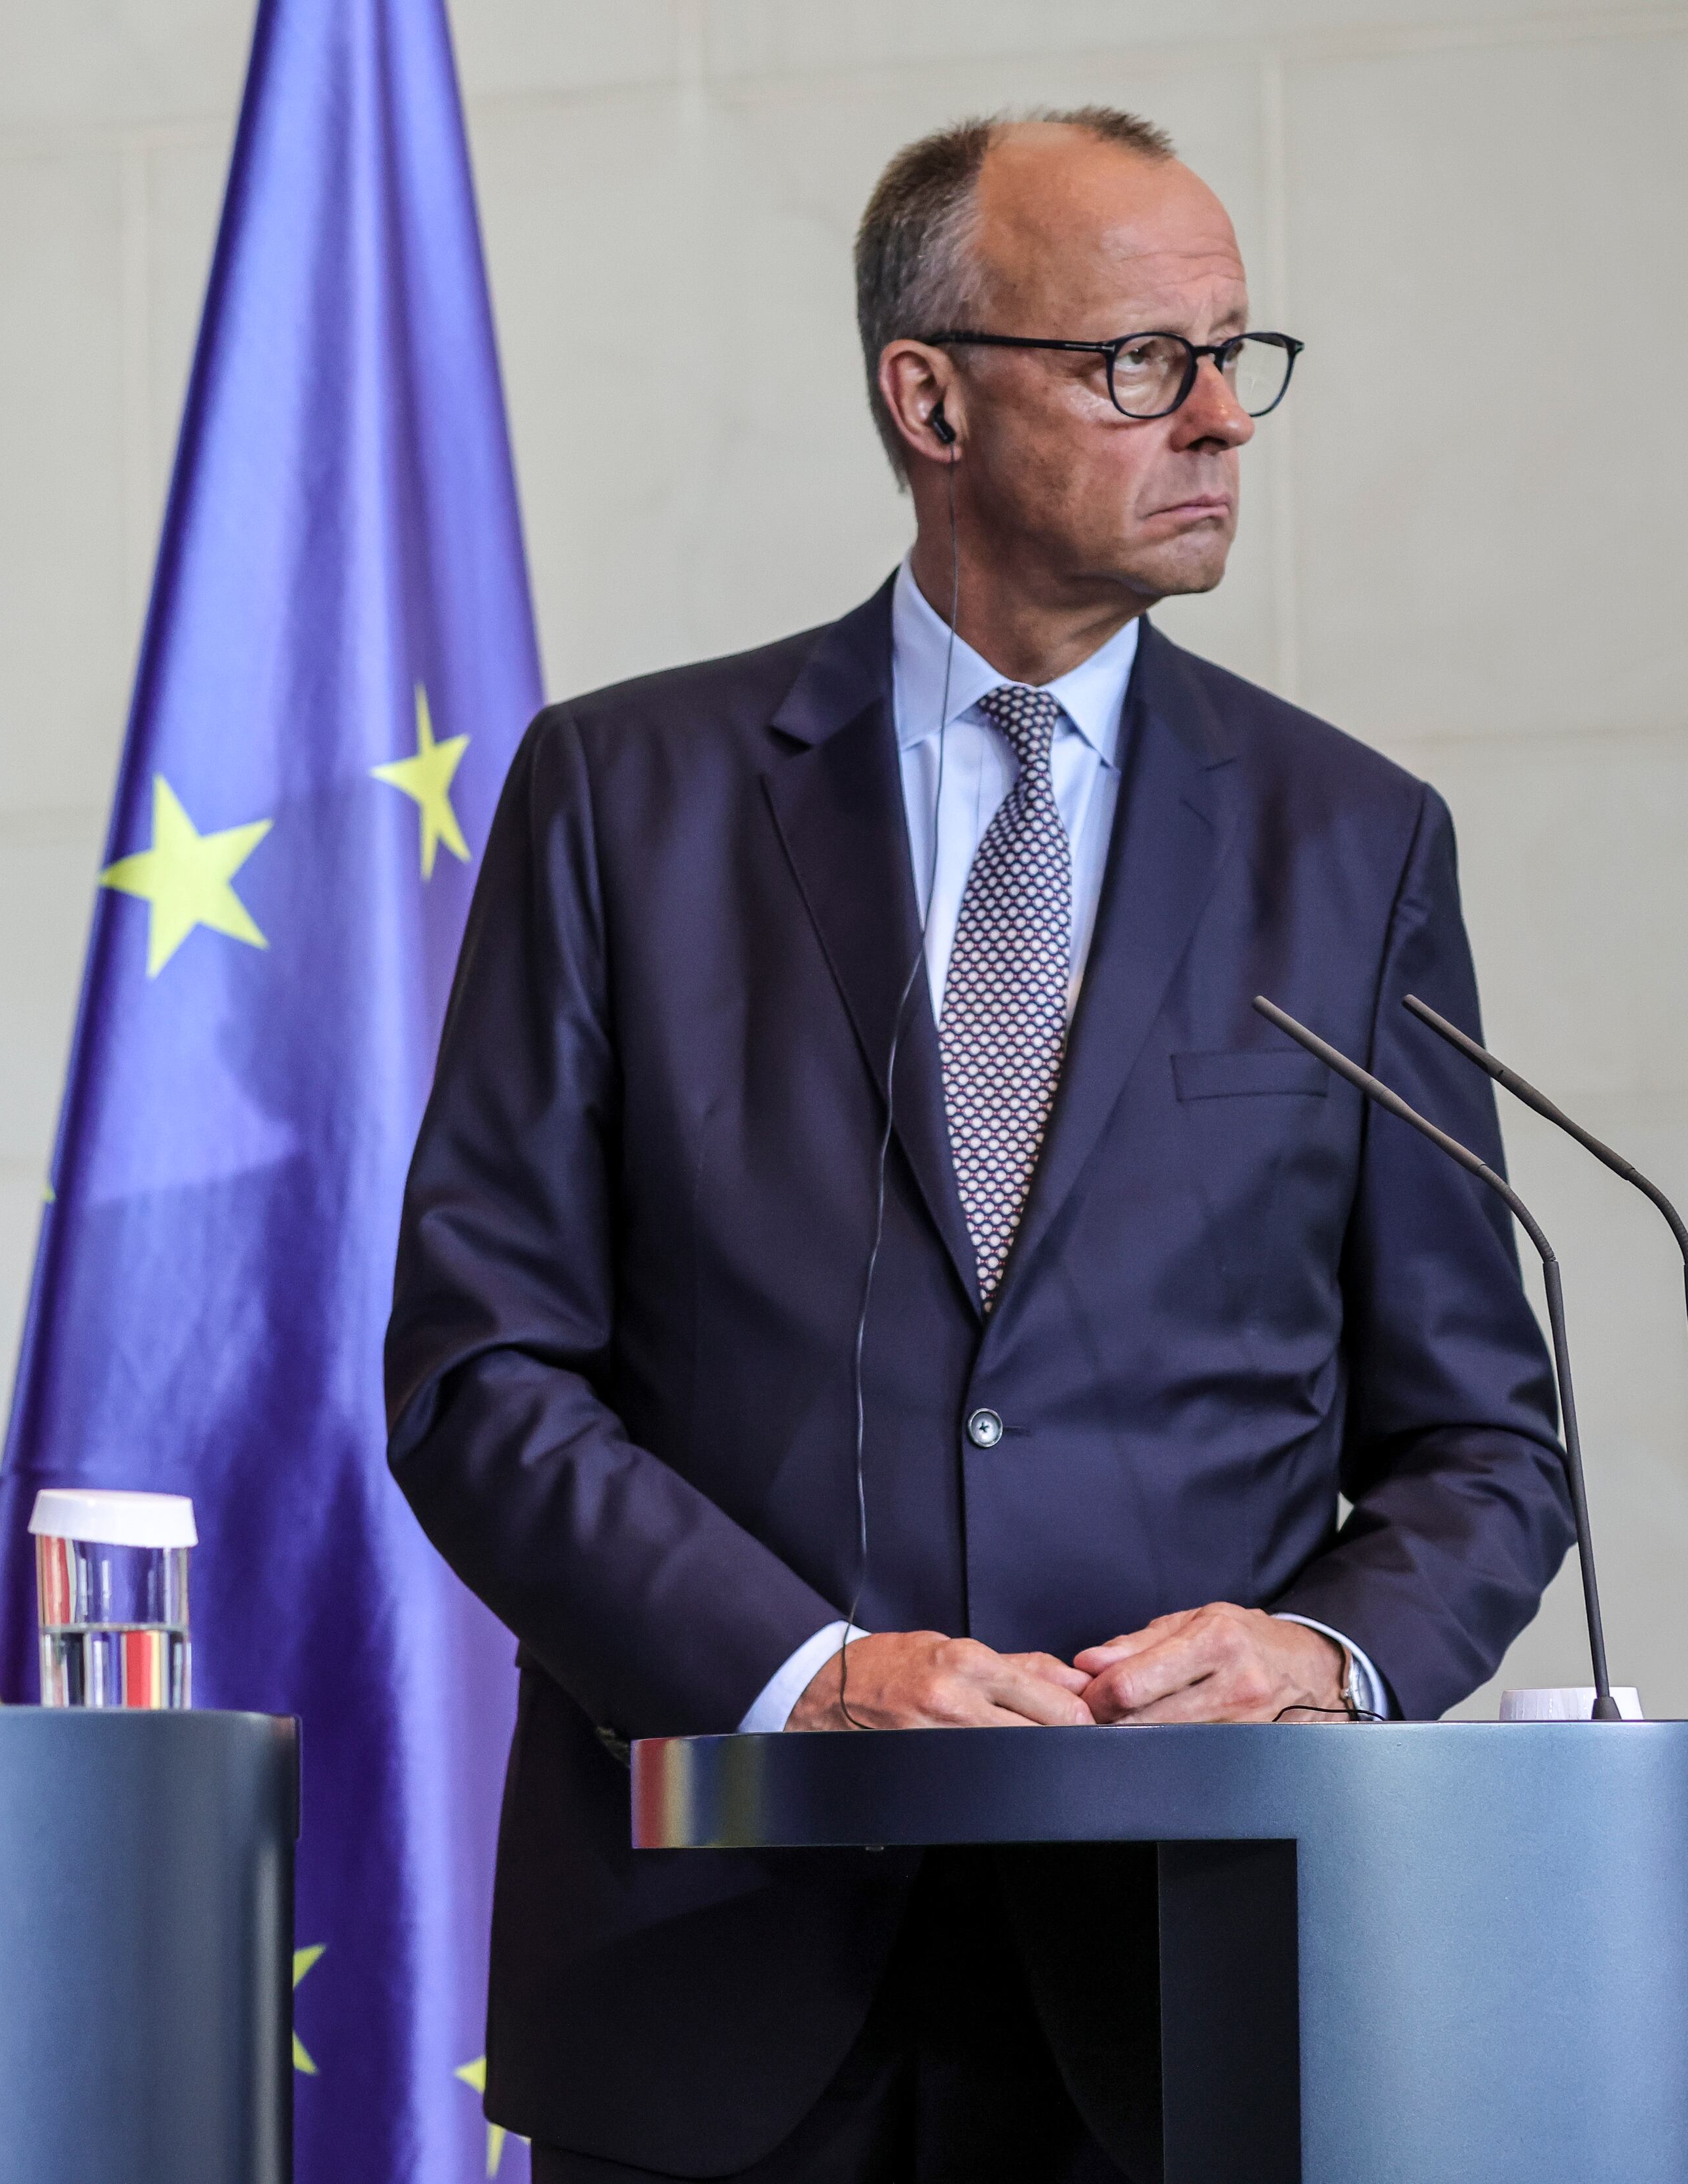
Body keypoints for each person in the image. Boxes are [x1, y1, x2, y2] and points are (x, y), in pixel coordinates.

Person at [385, 109, 1573, 2183]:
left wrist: (1322, 1650)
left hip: (1201, 1989)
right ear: (926, 395)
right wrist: (811, 1674)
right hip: (720, 1965)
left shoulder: (1353, 845)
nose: (1217, 419)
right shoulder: (625, 798)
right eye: (1139, 362)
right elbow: (482, 1375)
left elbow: (1484, 1444)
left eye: (1236, 353)